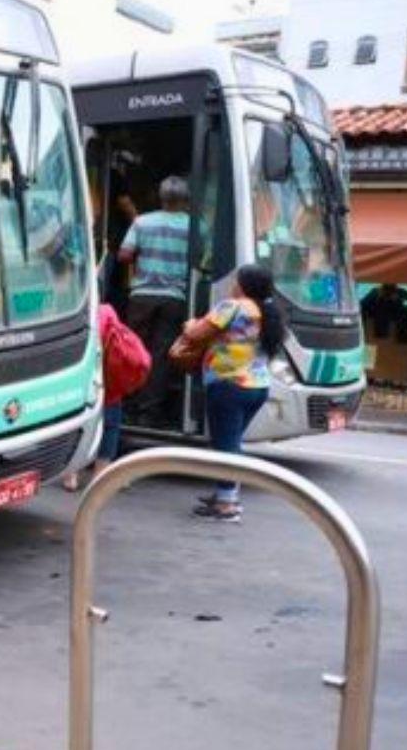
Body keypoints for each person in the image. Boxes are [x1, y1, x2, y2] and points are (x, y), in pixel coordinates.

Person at [185, 263, 286, 521]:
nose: (233, 283)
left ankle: (227, 506)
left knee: (226, 445)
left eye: (236, 279)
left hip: (229, 385)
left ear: (243, 285)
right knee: (229, 442)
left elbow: (196, 335)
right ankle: (224, 493)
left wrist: (190, 324)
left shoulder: (232, 306)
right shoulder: (269, 311)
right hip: (257, 387)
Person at [118, 175, 191, 425]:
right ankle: (148, 413)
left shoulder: (142, 222)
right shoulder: (193, 226)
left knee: (133, 351)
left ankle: (127, 404)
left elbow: (124, 255)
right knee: (160, 356)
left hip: (142, 296)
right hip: (175, 298)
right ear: (185, 199)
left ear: (161, 197)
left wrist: (144, 257)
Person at [63, 296, 150, 491]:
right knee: (110, 427)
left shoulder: (74, 314)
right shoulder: (108, 311)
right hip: (111, 380)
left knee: (78, 424)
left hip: (85, 381)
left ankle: (71, 475)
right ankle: (100, 476)